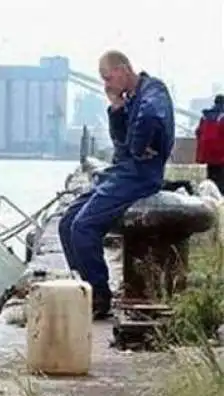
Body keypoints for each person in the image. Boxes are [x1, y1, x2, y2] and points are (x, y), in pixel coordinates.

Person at [58, 50, 175, 319]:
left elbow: (149, 117)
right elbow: (120, 141)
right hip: (121, 171)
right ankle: (84, 287)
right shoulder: (131, 98)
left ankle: (99, 295)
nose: (106, 85)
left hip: (140, 174)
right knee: (67, 223)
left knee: (83, 226)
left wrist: (139, 148)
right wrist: (117, 109)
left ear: (123, 70)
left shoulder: (153, 91)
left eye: (108, 78)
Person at [196, 95, 224, 192]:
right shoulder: (222, 116)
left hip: (207, 153)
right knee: (221, 179)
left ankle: (209, 195)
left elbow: (198, 132)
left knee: (211, 176)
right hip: (221, 154)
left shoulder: (205, 116)